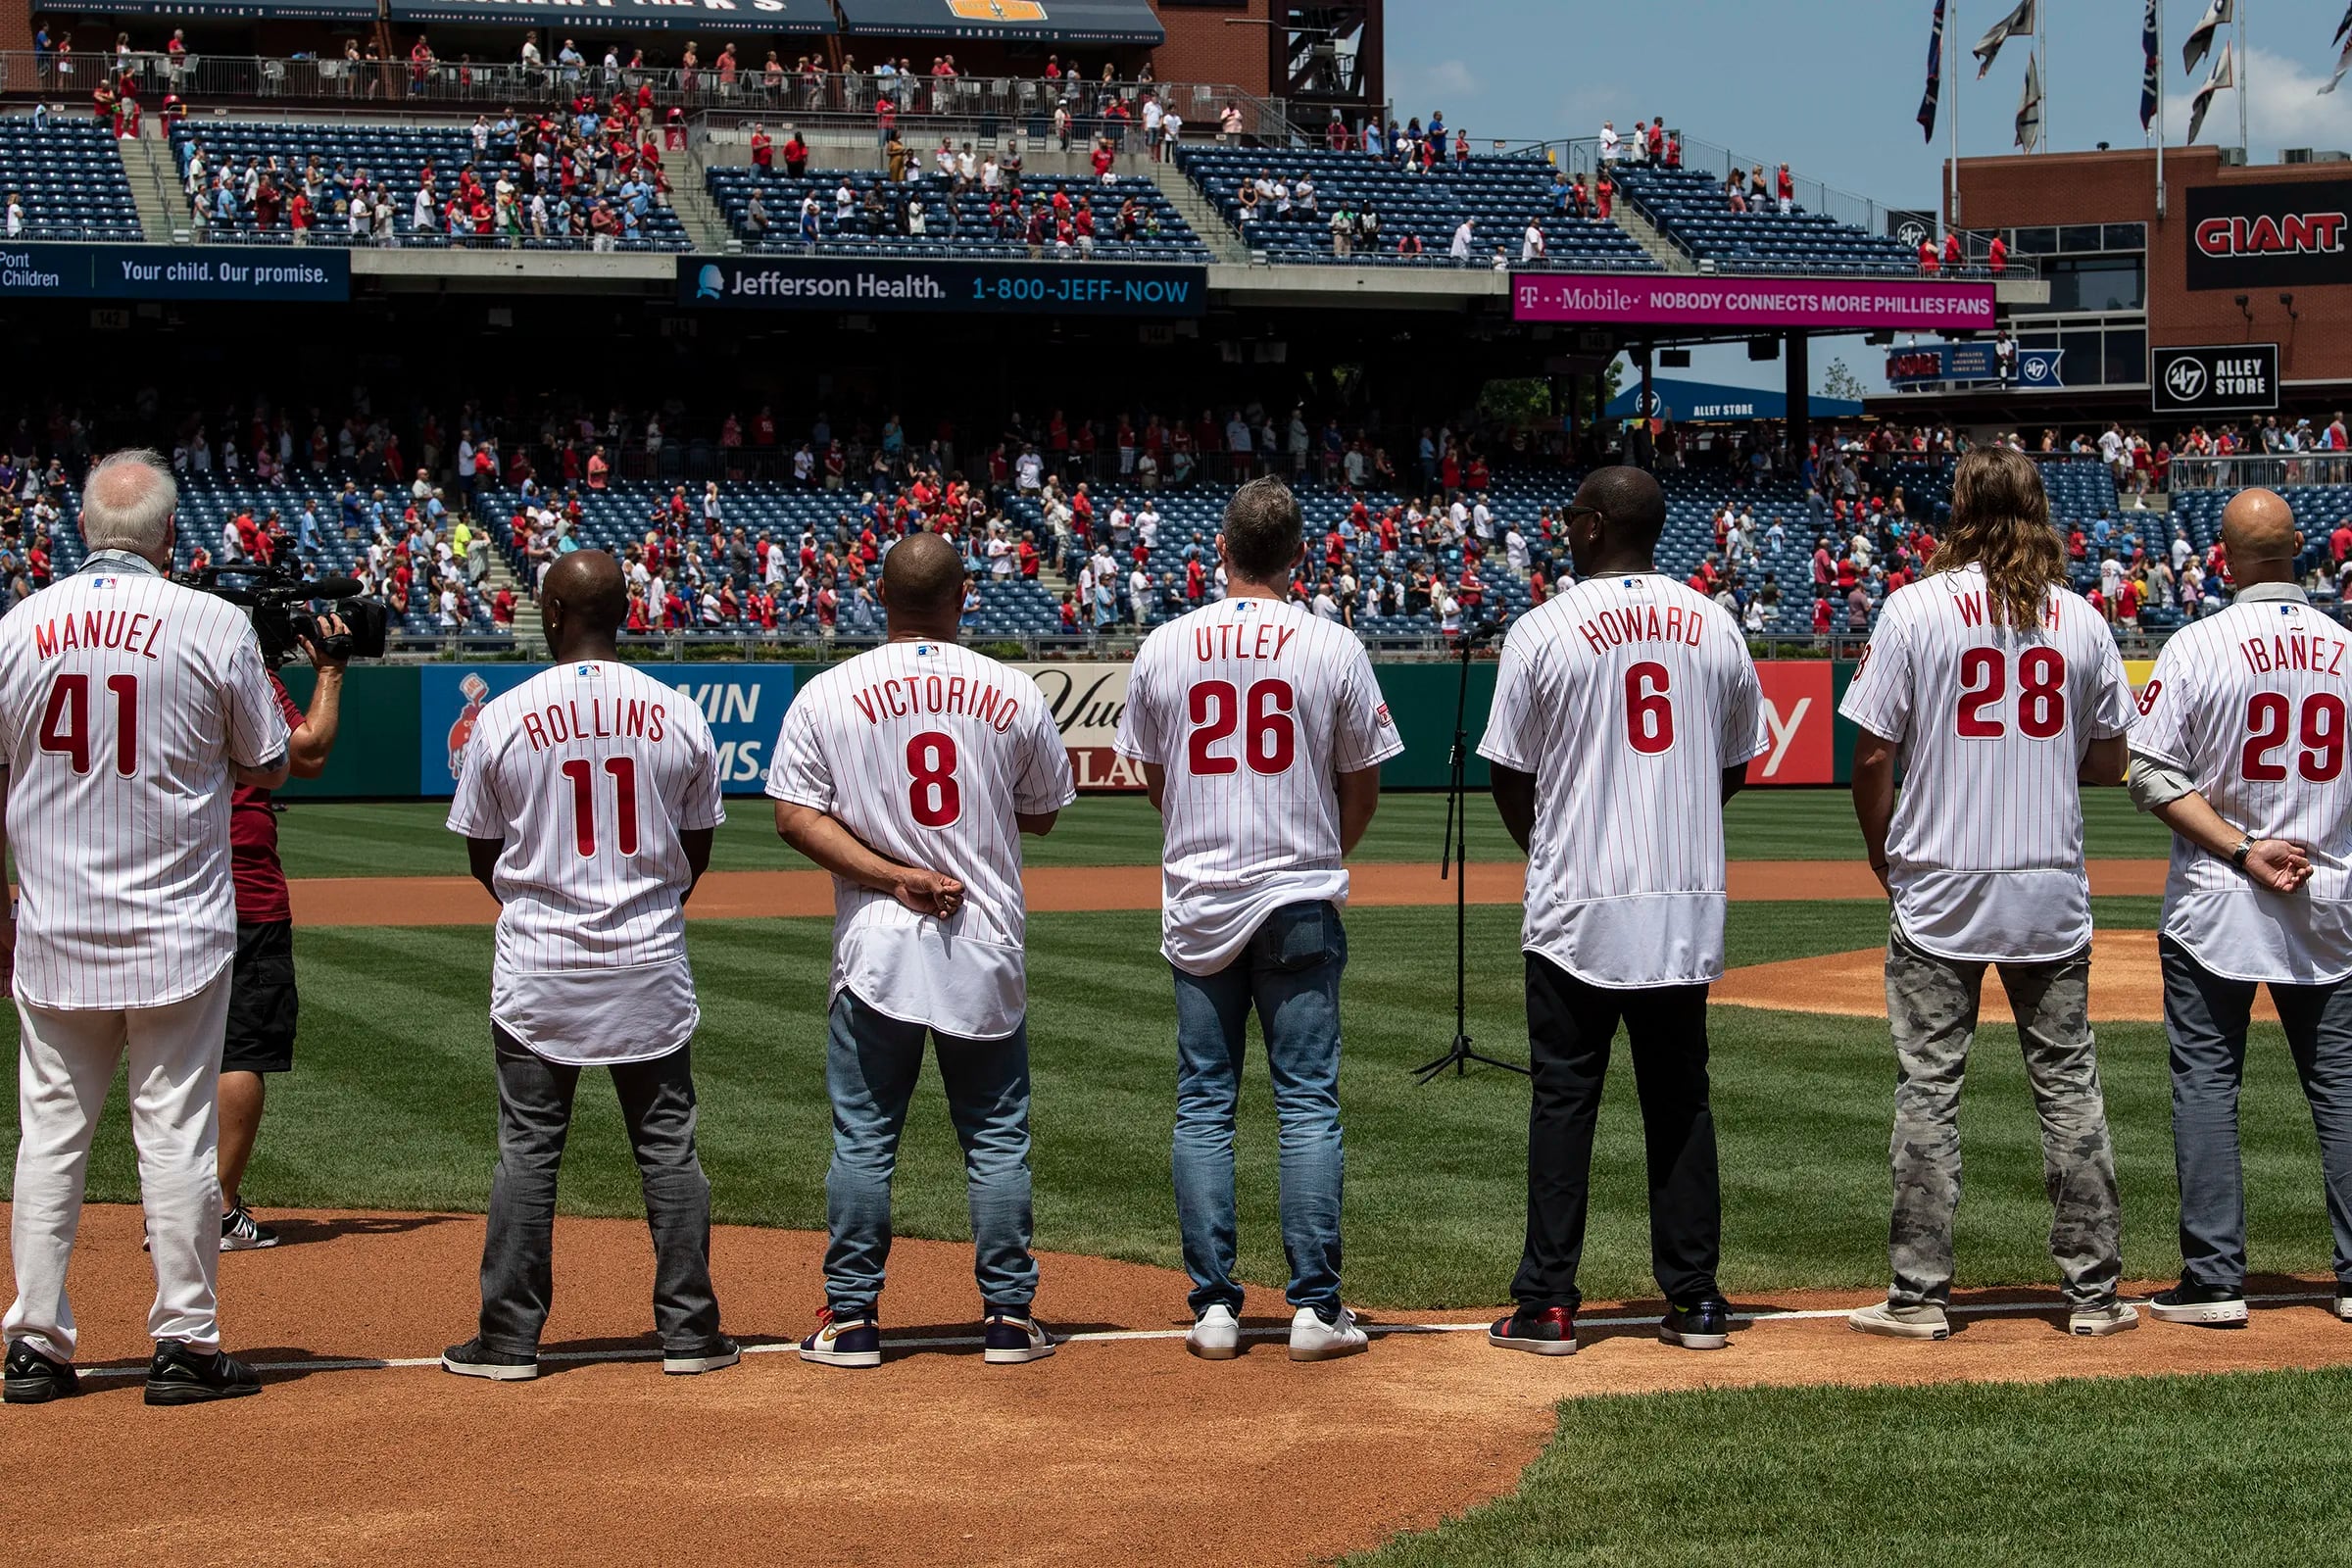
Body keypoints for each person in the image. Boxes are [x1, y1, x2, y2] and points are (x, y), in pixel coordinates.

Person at [1, 450, 290, 1407]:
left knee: (50, 1138)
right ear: (170, 536)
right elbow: (270, 760)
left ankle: (36, 1344)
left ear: (83, 530)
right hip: (176, 929)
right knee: (174, 1133)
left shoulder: (19, 627)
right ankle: (185, 1343)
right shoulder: (213, 621)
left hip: (53, 928)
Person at [1839, 446, 2139, 1342]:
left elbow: (1872, 752)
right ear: (2039, 509)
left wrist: (1878, 846)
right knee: (2069, 1088)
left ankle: (1919, 1298)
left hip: (1937, 882)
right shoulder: (2080, 618)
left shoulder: (1913, 607)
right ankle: (2094, 1298)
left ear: (1960, 507)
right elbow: (2112, 758)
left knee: (1928, 1092)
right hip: (2048, 883)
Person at [1477, 466, 1766, 1358]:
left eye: (1572, 518)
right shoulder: (1717, 624)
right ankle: (1698, 1303)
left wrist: (1560, 846)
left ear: (1597, 525)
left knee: (1565, 1101)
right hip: (1680, 901)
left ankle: (1549, 1307)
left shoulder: (1543, 628)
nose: (1565, 529)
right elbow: (1734, 766)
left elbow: (1510, 775)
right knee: (1680, 1102)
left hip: (1576, 905)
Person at [1113, 477, 1403, 1362]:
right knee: (1307, 1104)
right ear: (1298, 558)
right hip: (1299, 893)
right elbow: (1363, 784)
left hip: (1202, 893)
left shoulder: (1166, 644)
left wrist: (1197, 836)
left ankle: (1214, 1311)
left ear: (1222, 552)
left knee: (1205, 1104)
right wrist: (1320, 853)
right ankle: (1316, 1310)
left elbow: (1155, 777)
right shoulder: (1333, 644)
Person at [769, 533, 1074, 1370]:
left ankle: (854, 1321)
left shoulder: (830, 692)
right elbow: (1044, 810)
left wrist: (893, 871)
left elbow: (795, 816)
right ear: (963, 596)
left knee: (865, 1138)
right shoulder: (1011, 689)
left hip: (876, 948)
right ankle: (1009, 1320)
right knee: (996, 1138)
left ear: (877, 596)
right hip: (982, 936)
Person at [440, 550, 738, 1381]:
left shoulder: (505, 714)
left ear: (555, 610)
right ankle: (689, 1334)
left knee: (529, 1153)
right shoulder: (677, 711)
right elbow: (697, 848)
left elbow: (481, 855)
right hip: (648, 957)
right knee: (669, 1151)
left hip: (540, 960)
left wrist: (543, 905)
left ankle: (507, 1340)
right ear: (624, 613)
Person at [2129, 488, 2352, 1327]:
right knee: (2340, 1089)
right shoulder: (2346, 648)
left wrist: (2242, 848)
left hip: (2218, 898)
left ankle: (2215, 1282)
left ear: (2220, 558)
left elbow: (2150, 774)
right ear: (2302, 548)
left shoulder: (2195, 645)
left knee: (2208, 1086)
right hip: (2331, 897)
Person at [216, 607, 352, 1251]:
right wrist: (330, 670)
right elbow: (311, 753)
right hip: (245, 888)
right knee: (242, 1049)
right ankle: (215, 1208)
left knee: (174, 1061)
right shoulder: (248, 676)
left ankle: (172, 1207)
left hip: (170, 885)